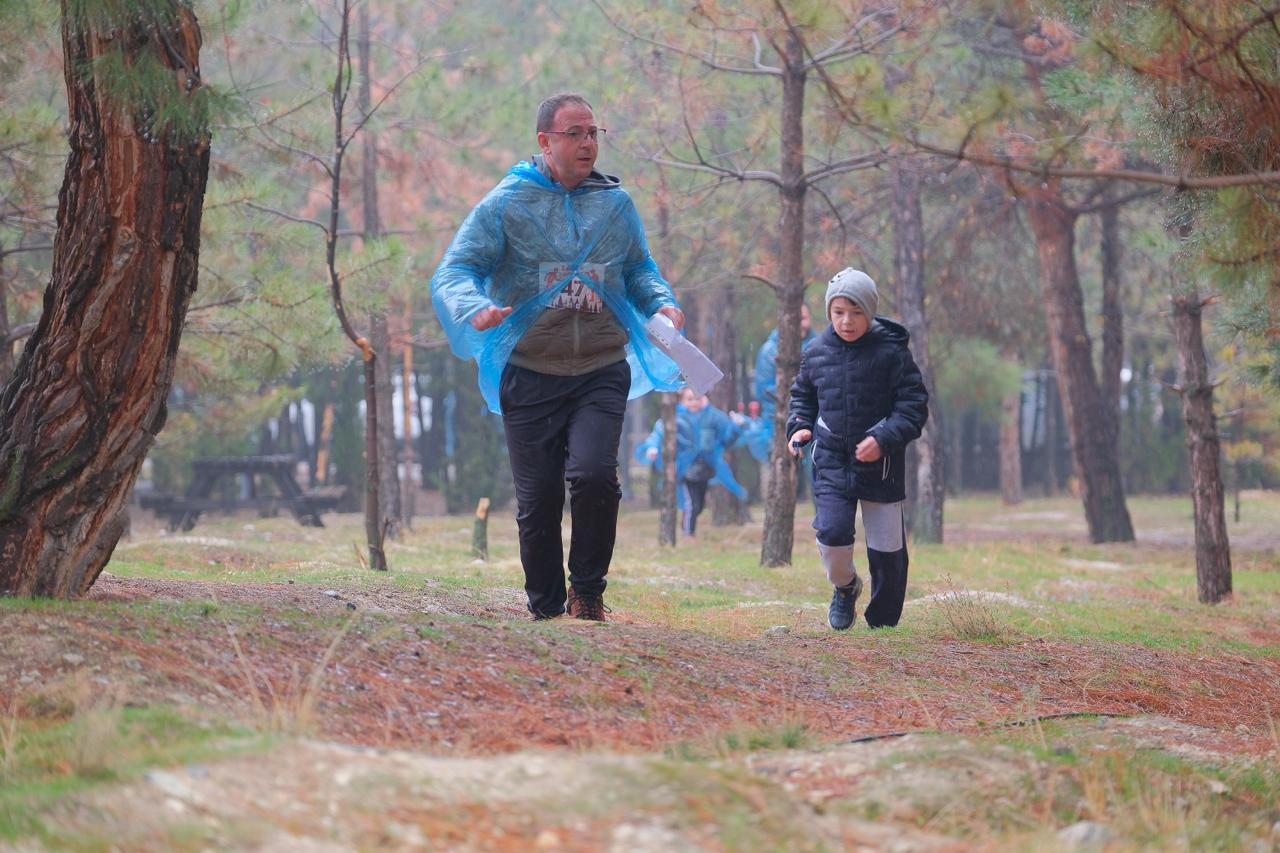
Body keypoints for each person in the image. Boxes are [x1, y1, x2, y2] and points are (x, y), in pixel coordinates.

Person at [431, 93, 686, 622]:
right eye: (575, 133)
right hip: (530, 370)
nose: (588, 143)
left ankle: (587, 593)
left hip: (599, 366)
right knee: (539, 500)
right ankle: (546, 608)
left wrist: (661, 303)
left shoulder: (615, 206)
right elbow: (456, 269)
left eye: (593, 132)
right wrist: (473, 306)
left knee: (595, 476)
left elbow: (638, 268)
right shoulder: (507, 204)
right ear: (545, 142)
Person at [786, 268, 928, 631]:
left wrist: (883, 439)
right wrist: (799, 427)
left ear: (870, 311)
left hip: (882, 466)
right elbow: (802, 398)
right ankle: (846, 586)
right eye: (838, 312)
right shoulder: (815, 352)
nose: (846, 321)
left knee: (888, 553)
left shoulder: (893, 352)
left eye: (856, 312)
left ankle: (882, 624)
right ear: (829, 313)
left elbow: (913, 407)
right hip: (831, 461)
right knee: (831, 533)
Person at [636, 388, 746, 539]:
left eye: (697, 398)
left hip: (705, 468)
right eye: (690, 399)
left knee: (699, 505)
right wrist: (652, 448)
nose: (694, 402)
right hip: (684, 468)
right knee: (692, 503)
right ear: (681, 400)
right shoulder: (675, 417)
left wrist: (736, 427)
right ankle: (689, 534)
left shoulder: (711, 416)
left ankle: (687, 522)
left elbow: (726, 439)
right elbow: (658, 433)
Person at [753, 303, 818, 496]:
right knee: (782, 481)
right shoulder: (769, 351)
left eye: (804, 317)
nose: (801, 323)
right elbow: (764, 390)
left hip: (815, 422)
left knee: (817, 478)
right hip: (779, 424)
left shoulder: (819, 347)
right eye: (796, 318)